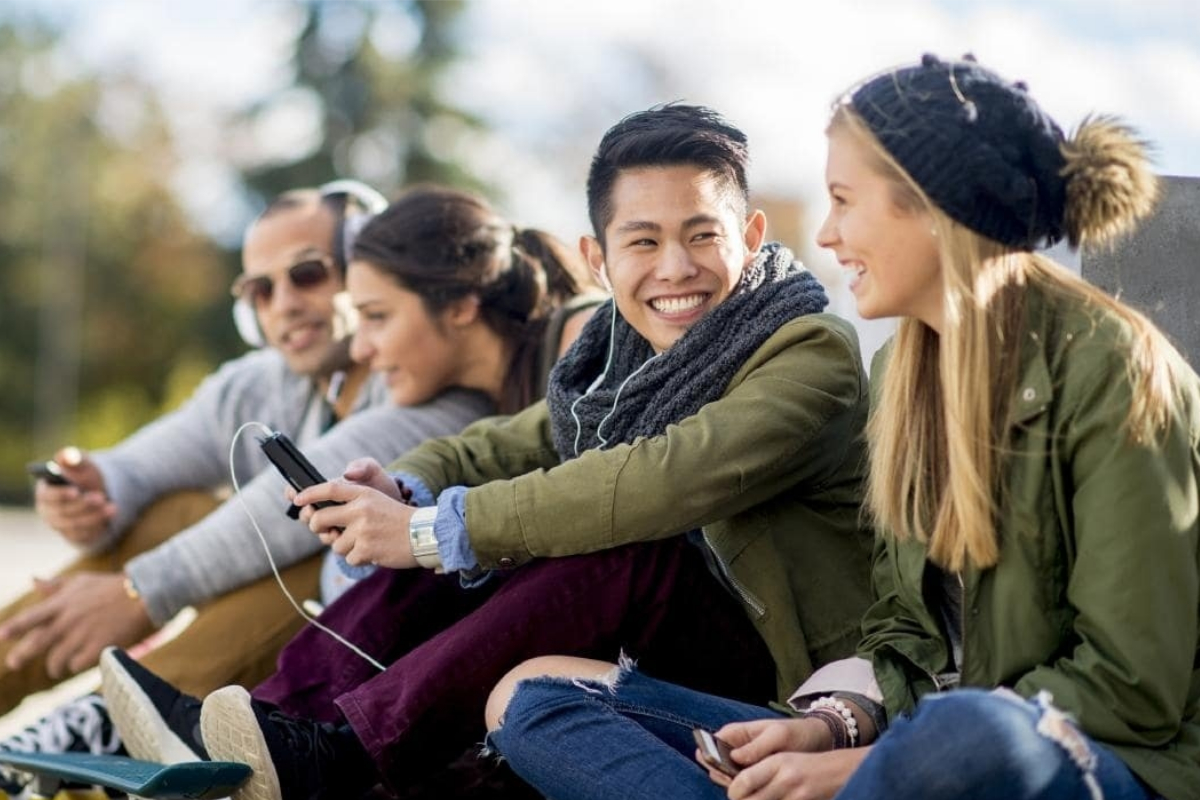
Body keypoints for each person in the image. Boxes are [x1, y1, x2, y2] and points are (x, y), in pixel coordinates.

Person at [100, 103, 875, 800]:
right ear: (600, 258)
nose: (676, 268)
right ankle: (270, 726)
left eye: (702, 234)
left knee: (603, 542)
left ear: (751, 235)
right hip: (670, 640)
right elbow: (508, 442)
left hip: (787, 685)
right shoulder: (620, 355)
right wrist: (407, 487)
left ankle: (337, 757)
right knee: (453, 524)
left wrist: (430, 531)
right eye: (644, 241)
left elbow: (658, 481)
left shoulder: (810, 352)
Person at [484, 54, 1200, 800]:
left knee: (969, 737)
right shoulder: (901, 368)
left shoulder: (1114, 371)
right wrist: (834, 724)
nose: (825, 235)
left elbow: (1130, 690)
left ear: (933, 206)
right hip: (914, 745)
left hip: (1085, 758)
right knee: (542, 699)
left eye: (844, 200)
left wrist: (852, 768)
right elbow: (902, 628)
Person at [0, 184, 500, 765]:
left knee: (310, 539)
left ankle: (107, 724)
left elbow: (287, 501)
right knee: (174, 508)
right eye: (260, 290)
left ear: (367, 268)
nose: (282, 304)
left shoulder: (431, 374)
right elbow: (146, 462)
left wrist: (142, 592)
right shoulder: (263, 380)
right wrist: (95, 493)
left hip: (398, 647)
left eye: (307, 274)